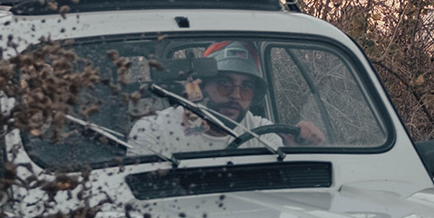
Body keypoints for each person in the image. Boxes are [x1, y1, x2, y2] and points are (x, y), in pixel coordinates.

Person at [127, 40, 325, 154]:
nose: (236, 95)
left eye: (246, 87)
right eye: (224, 84)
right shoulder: (155, 131)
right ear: (202, 85)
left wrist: (302, 151)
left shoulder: (262, 135)